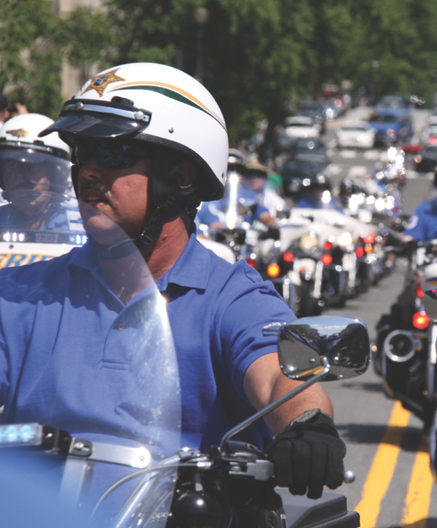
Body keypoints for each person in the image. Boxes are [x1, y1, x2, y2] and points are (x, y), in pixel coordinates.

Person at [0, 63, 344, 502]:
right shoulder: (20, 293)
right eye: (81, 152)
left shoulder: (230, 296)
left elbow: (282, 378)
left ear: (180, 176)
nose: (86, 171)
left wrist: (306, 425)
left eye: (113, 154)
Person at [0, 113, 79, 231]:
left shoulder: (79, 226)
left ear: (57, 174)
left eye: (32, 165)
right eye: (11, 166)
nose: (19, 175)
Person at [197, 148, 276, 233]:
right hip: (220, 242)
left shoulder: (250, 196)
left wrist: (272, 226)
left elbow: (265, 216)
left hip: (247, 242)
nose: (231, 174)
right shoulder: (209, 198)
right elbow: (212, 222)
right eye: (227, 169)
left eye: (236, 170)